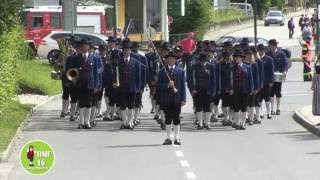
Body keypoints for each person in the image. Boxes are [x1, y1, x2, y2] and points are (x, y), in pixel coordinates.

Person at [158, 50, 186, 145]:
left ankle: (177, 138)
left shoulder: (181, 71)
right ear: (166, 60)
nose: (171, 60)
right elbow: (159, 86)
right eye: (169, 59)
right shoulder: (162, 72)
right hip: (166, 99)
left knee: (176, 118)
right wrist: (167, 85)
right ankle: (168, 137)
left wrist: (183, 99)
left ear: (175, 60)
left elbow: (182, 87)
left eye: (173, 59)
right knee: (168, 118)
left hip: (177, 99)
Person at [188, 52, 216, 130]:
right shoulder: (194, 67)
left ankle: (207, 123)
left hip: (208, 90)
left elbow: (213, 79)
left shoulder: (211, 66)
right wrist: (192, 89)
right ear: (199, 60)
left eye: (204, 60)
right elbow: (190, 79)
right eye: (202, 60)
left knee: (208, 107)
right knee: (199, 107)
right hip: (197, 90)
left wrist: (213, 90)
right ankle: (200, 123)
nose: (203, 62)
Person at [118, 41, 141, 129]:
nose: (126, 51)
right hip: (122, 87)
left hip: (132, 87)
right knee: (123, 106)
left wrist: (138, 87)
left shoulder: (136, 62)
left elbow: (138, 76)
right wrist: (115, 82)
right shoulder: (119, 61)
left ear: (130, 51)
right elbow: (115, 74)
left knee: (131, 106)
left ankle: (130, 122)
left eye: (128, 50)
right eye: (124, 50)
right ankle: (124, 122)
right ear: (122, 51)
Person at [229, 50, 254, 130]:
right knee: (236, 107)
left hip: (245, 90)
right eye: (235, 57)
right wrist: (230, 88)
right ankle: (237, 123)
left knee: (244, 107)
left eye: (238, 57)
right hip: (236, 90)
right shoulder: (232, 68)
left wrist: (251, 89)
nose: (236, 59)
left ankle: (243, 124)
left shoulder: (247, 67)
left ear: (241, 58)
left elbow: (250, 79)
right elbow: (230, 79)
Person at [267, 39, 288, 116]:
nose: (270, 47)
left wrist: (285, 71)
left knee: (278, 92)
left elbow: (286, 63)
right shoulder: (268, 54)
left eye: (271, 45)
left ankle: (278, 108)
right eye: (269, 46)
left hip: (279, 75)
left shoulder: (281, 53)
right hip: (271, 76)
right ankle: (272, 109)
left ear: (275, 46)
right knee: (271, 93)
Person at [243, 48, 259, 125]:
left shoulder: (254, 64)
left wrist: (256, 88)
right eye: (246, 54)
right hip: (244, 86)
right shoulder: (242, 64)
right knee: (245, 104)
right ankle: (245, 117)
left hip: (252, 86)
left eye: (249, 55)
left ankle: (251, 119)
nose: (247, 56)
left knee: (251, 104)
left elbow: (256, 77)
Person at [257, 44, 274, 119]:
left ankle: (269, 113)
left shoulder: (269, 59)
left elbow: (271, 71)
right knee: (259, 99)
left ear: (264, 50)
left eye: (261, 50)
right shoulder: (256, 59)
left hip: (267, 82)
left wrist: (271, 81)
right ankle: (261, 113)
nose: (260, 52)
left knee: (267, 98)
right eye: (259, 50)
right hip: (258, 82)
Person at [218, 51, 233, 126]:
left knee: (231, 104)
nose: (228, 58)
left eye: (228, 57)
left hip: (231, 87)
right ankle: (225, 118)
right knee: (224, 103)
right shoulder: (220, 65)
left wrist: (230, 87)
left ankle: (230, 119)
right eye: (226, 57)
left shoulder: (233, 65)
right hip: (223, 87)